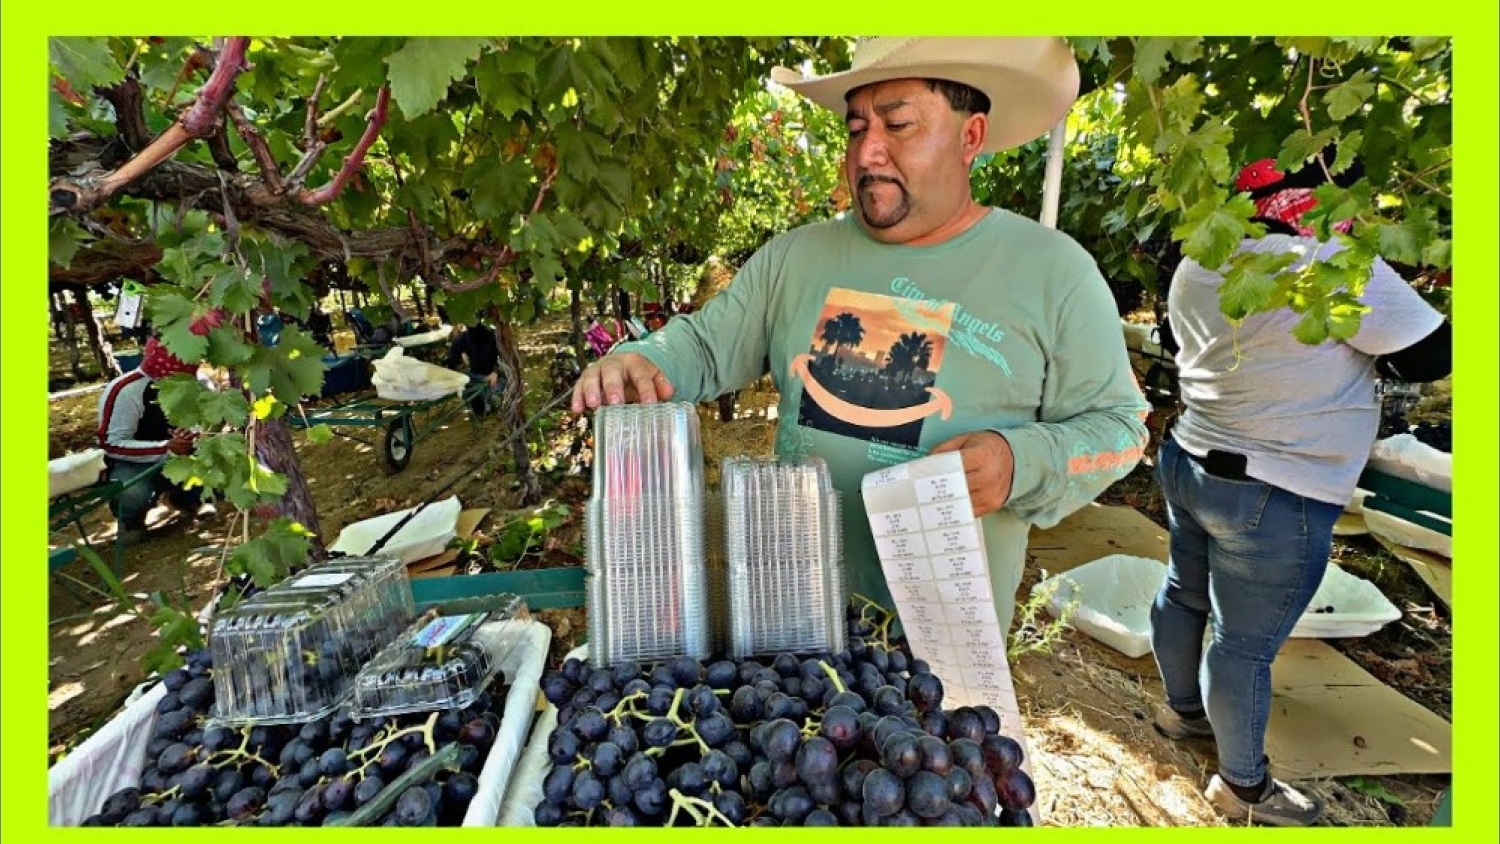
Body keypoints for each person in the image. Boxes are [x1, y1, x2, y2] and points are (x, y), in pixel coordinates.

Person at [571, 37, 1150, 636]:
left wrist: (1017, 461)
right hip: (790, 621)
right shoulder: (794, 259)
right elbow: (703, 345)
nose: (869, 151)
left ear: (970, 137)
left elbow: (1119, 429)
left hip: (942, 647)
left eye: (899, 124)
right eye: (856, 129)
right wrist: (641, 358)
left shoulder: (1051, 271)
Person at [1148, 154, 1451, 826]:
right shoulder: (1329, 265)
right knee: (1244, 646)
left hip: (1191, 457)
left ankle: (1180, 713)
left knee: (1182, 592)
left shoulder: (1203, 258)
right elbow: (1433, 353)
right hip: (1275, 487)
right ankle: (1242, 788)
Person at [96, 336, 214, 544]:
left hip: (184, 455)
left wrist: (195, 436)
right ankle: (131, 519)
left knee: (214, 460)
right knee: (132, 491)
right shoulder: (126, 390)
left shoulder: (199, 383)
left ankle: (188, 500)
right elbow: (110, 443)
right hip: (134, 462)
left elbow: (210, 422)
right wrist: (164, 448)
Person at [445, 319, 504, 416]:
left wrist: (495, 371)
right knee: (466, 382)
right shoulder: (463, 338)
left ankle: (491, 400)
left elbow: (504, 357)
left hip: (496, 375)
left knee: (498, 383)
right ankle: (483, 403)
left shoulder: (494, 335)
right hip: (476, 376)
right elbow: (452, 361)